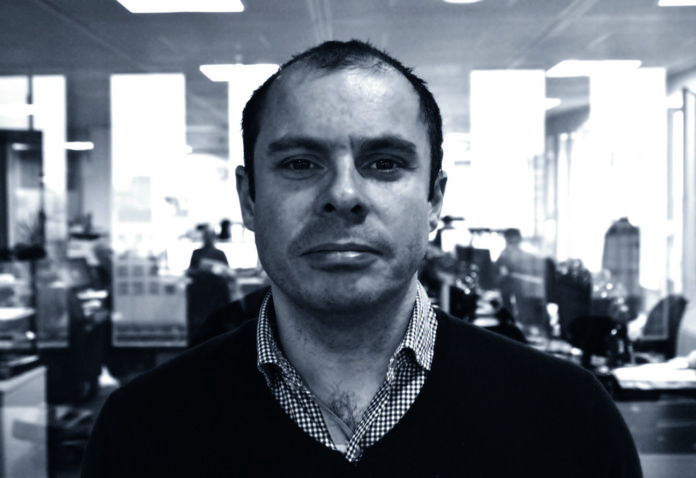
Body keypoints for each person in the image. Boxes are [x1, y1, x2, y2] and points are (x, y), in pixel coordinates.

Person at [82, 40, 642, 477]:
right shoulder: (141, 429)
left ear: (434, 201)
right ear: (249, 200)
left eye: (384, 163)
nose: (343, 195)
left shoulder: (570, 419)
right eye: (300, 163)